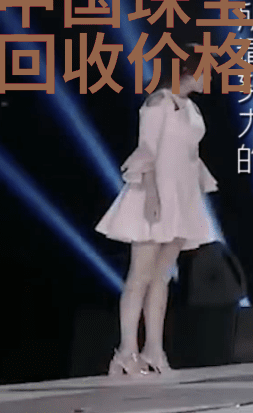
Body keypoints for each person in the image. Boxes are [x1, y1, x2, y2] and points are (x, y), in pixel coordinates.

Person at [96, 55, 220, 375]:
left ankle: (153, 348)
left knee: (161, 277)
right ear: (187, 71)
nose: (209, 77)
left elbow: (190, 154)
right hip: (154, 195)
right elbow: (147, 149)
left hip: (182, 197)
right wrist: (151, 194)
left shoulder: (191, 109)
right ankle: (126, 350)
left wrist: (200, 184)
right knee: (140, 275)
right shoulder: (158, 103)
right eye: (205, 71)